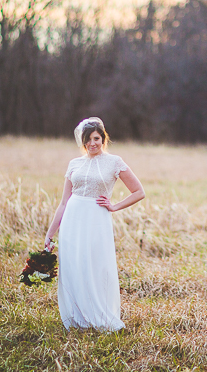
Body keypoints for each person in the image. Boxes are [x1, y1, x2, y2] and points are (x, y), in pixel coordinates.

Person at [43, 117, 145, 331]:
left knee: (96, 266)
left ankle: (100, 315)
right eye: (87, 139)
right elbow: (63, 202)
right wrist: (50, 234)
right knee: (74, 265)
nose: (92, 143)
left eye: (96, 138)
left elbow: (139, 192)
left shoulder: (114, 162)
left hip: (97, 220)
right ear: (82, 141)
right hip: (72, 219)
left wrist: (114, 206)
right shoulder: (74, 164)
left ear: (103, 138)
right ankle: (77, 317)